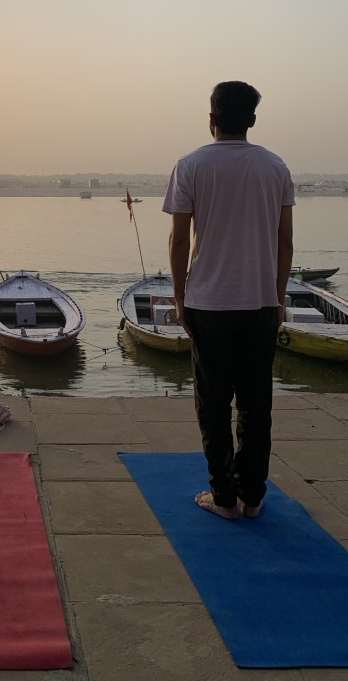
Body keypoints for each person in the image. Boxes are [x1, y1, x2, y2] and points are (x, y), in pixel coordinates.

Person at [163, 81, 294, 520]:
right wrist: (277, 300)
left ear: (211, 118)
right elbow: (285, 243)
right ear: (252, 120)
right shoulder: (275, 167)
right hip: (259, 303)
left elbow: (179, 240)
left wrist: (180, 299)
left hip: (209, 303)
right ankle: (251, 497)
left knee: (213, 405)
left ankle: (223, 497)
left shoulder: (191, 165)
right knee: (257, 406)